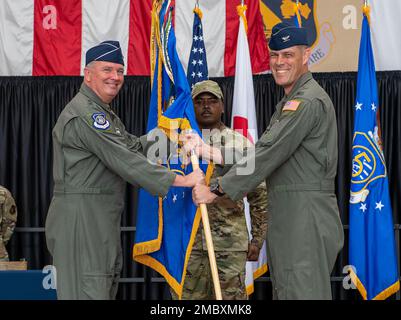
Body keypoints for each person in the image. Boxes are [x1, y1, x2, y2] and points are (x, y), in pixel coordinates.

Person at [189, 23, 344, 300]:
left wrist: (215, 191)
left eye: (287, 55)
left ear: (306, 55)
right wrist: (214, 154)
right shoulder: (290, 102)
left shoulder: (306, 102)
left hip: (303, 215)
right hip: (290, 214)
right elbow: (263, 151)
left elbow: (266, 154)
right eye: (274, 55)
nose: (279, 62)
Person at [45, 40, 204, 300]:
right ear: (87, 74)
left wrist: (170, 133)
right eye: (107, 70)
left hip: (96, 217)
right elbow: (125, 160)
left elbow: (132, 147)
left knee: (101, 284)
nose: (115, 77)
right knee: (89, 289)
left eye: (120, 71)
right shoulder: (86, 115)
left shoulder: (102, 113)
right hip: (81, 218)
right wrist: (182, 181)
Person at [172, 80, 268, 300]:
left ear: (223, 106)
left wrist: (257, 239)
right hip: (188, 244)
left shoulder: (240, 143)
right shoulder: (178, 143)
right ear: (191, 106)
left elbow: (259, 195)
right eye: (200, 101)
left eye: (212, 101)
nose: (206, 106)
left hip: (229, 244)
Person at [0, 185, 17, 261]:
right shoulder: (3, 192)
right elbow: (10, 222)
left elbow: (9, 221)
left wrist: (2, 240)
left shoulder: (3, 193)